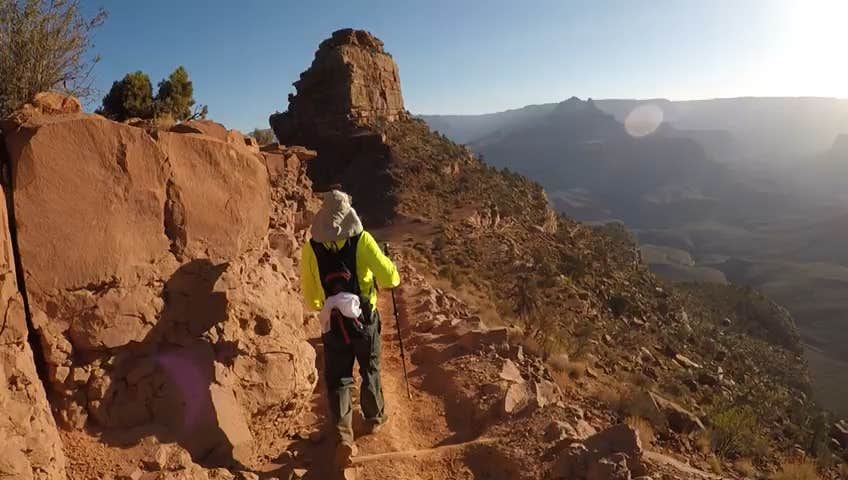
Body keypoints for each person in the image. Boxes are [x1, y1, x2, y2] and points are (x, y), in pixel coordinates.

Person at [300, 189, 400, 467]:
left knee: (340, 377)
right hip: (363, 319)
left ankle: (344, 435)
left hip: (333, 322)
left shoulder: (312, 248)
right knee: (370, 367)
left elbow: (310, 296)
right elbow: (390, 278)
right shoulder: (362, 240)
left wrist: (327, 304)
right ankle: (374, 417)